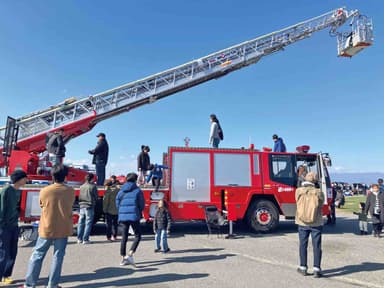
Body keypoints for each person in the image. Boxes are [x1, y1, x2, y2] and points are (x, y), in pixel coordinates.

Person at [21, 164, 75, 288]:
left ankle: (30, 284)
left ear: (52, 176)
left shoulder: (45, 190)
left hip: (47, 227)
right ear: (65, 176)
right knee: (58, 256)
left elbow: (41, 205)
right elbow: (70, 204)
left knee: (38, 254)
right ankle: (52, 284)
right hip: (63, 228)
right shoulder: (70, 191)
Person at [0, 170, 28, 285]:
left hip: (14, 226)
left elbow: (17, 207)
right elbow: (1, 208)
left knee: (13, 251)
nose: (26, 180)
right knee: (3, 252)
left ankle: (6, 275)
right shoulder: (6, 190)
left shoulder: (19, 192)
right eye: (25, 178)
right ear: (19, 179)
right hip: (4, 227)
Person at [295, 172, 324, 278]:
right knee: (317, 245)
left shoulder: (298, 191)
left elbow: (296, 202)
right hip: (316, 222)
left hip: (302, 221)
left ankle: (303, 267)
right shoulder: (319, 192)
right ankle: (317, 268)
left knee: (303, 244)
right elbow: (321, 205)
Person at [116, 173, 144, 266]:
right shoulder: (137, 191)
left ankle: (123, 258)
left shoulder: (121, 191)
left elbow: (117, 203)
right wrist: (138, 211)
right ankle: (130, 254)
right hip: (134, 216)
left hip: (123, 216)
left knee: (124, 237)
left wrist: (122, 212)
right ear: (135, 180)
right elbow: (141, 204)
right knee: (137, 235)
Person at [77, 173, 98, 244]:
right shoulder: (92, 186)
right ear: (92, 179)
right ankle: (85, 239)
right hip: (89, 206)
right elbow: (96, 196)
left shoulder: (81, 186)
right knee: (88, 223)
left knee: (80, 222)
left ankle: (79, 239)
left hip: (82, 205)